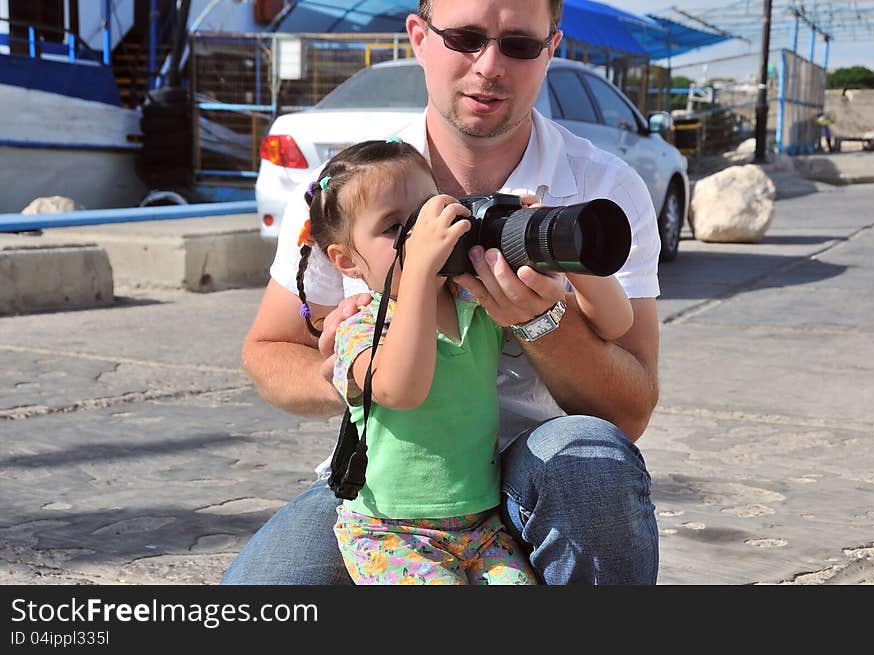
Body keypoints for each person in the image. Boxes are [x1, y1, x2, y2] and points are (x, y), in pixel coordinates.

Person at [224, 0, 661, 585]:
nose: (490, 66)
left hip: (545, 462)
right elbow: (269, 348)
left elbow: (630, 410)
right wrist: (353, 373)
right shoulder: (359, 191)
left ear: (551, 49)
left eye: (519, 45)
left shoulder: (602, 189)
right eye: (465, 38)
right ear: (418, 38)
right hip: (395, 478)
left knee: (591, 462)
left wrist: (545, 323)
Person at [294, 138, 634, 585]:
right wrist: (416, 271)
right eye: (396, 229)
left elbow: (615, 323)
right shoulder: (363, 324)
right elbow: (400, 388)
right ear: (345, 261)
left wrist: (553, 248)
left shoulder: (474, 303)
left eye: (427, 215)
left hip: (481, 528)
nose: (420, 239)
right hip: (392, 533)